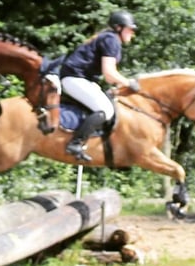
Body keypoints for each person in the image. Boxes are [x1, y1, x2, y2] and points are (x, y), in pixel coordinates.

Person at [59, 10, 140, 161]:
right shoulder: (111, 40)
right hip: (74, 79)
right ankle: (75, 144)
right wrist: (129, 83)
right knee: (105, 110)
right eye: (130, 29)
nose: (132, 33)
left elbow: (109, 77)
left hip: (81, 79)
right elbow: (109, 73)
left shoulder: (109, 38)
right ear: (118, 28)